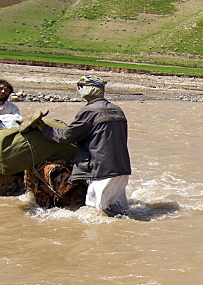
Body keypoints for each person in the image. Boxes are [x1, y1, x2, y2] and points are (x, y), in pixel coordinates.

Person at [33, 76, 132, 216]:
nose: (79, 90)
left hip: (102, 170)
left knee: (97, 212)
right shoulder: (117, 109)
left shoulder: (89, 111)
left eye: (81, 87)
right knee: (118, 210)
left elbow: (68, 135)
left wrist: (46, 130)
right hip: (121, 168)